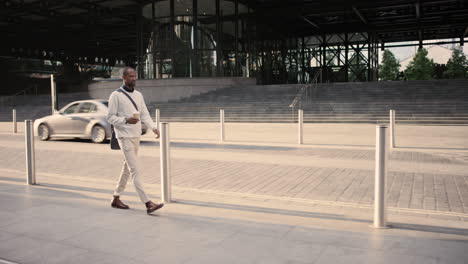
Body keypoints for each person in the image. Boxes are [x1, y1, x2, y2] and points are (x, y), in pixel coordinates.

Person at [107, 66, 164, 214]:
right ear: (124, 78)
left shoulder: (138, 95)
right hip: (124, 136)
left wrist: (153, 127)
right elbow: (110, 117)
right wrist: (126, 120)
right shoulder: (115, 95)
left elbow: (144, 113)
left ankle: (116, 197)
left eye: (135, 76)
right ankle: (148, 203)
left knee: (126, 169)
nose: (134, 78)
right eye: (131, 76)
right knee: (134, 170)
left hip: (136, 135)